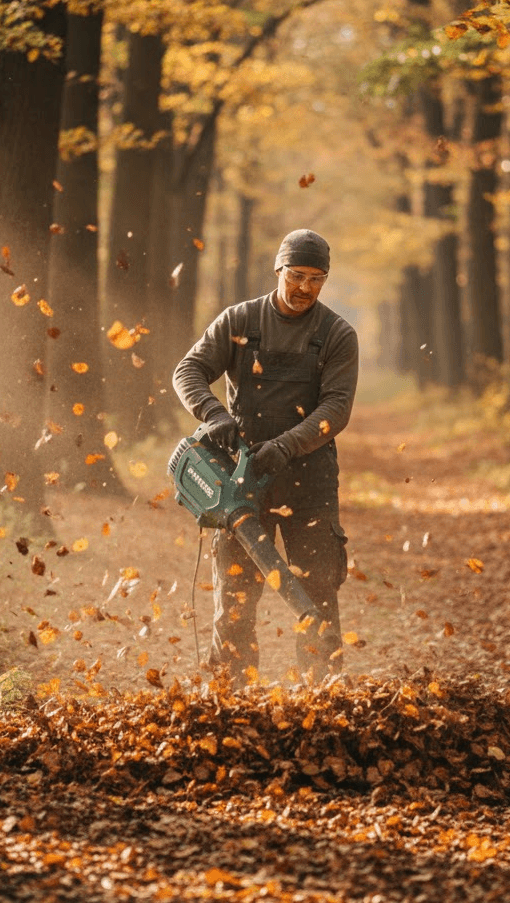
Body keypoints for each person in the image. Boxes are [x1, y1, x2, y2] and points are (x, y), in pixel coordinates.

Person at [172, 229, 359, 685]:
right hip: (240, 481)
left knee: (316, 594)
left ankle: (323, 695)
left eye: (317, 279)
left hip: (309, 481)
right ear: (278, 270)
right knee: (234, 598)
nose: (305, 288)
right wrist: (213, 414)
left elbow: (335, 408)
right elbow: (189, 370)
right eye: (296, 275)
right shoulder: (240, 321)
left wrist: (287, 446)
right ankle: (231, 700)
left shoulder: (336, 334)